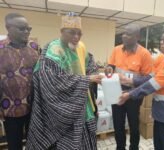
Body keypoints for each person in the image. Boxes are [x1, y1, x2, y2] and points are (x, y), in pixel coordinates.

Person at [26, 13, 103, 149]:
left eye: (79, 33)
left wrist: (95, 75)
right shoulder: (53, 49)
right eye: (72, 33)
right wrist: (86, 80)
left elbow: (90, 65)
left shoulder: (81, 46)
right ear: (61, 32)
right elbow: (50, 80)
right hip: (61, 110)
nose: (76, 37)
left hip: (82, 103)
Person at [118, 24, 164, 150]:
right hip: (161, 115)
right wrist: (130, 80)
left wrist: (129, 94)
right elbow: (149, 77)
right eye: (161, 40)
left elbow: (153, 84)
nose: (161, 43)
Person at [106, 24, 153, 150]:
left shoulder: (144, 54)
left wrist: (131, 80)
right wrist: (109, 68)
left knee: (133, 125)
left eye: (129, 34)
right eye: (124, 33)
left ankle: (134, 147)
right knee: (118, 124)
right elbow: (110, 65)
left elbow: (149, 78)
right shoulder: (116, 50)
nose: (124, 36)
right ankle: (120, 147)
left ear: (137, 37)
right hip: (116, 92)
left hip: (134, 94)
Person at [0, 13, 39, 150]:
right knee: (14, 145)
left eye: (28, 28)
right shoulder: (1, 48)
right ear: (8, 28)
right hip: (10, 109)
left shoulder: (34, 47)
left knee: (33, 142)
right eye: (21, 29)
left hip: (34, 106)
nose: (26, 31)